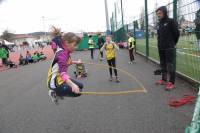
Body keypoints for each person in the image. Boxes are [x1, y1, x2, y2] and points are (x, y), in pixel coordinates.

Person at [47, 32, 83, 104]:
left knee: (80, 86)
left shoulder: (65, 51)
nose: (76, 47)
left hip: (60, 78)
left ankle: (59, 92)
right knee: (78, 92)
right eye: (75, 45)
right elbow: (63, 73)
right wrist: (72, 85)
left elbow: (67, 63)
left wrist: (76, 62)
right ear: (67, 43)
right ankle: (54, 93)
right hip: (55, 83)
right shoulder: (62, 53)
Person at [156, 6, 180, 90]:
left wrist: (173, 43)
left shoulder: (171, 21)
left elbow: (176, 33)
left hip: (169, 47)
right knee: (163, 64)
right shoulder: (159, 24)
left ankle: (171, 82)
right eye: (157, 14)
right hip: (161, 48)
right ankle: (164, 79)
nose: (158, 15)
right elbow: (159, 36)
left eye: (160, 13)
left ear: (165, 12)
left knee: (170, 65)